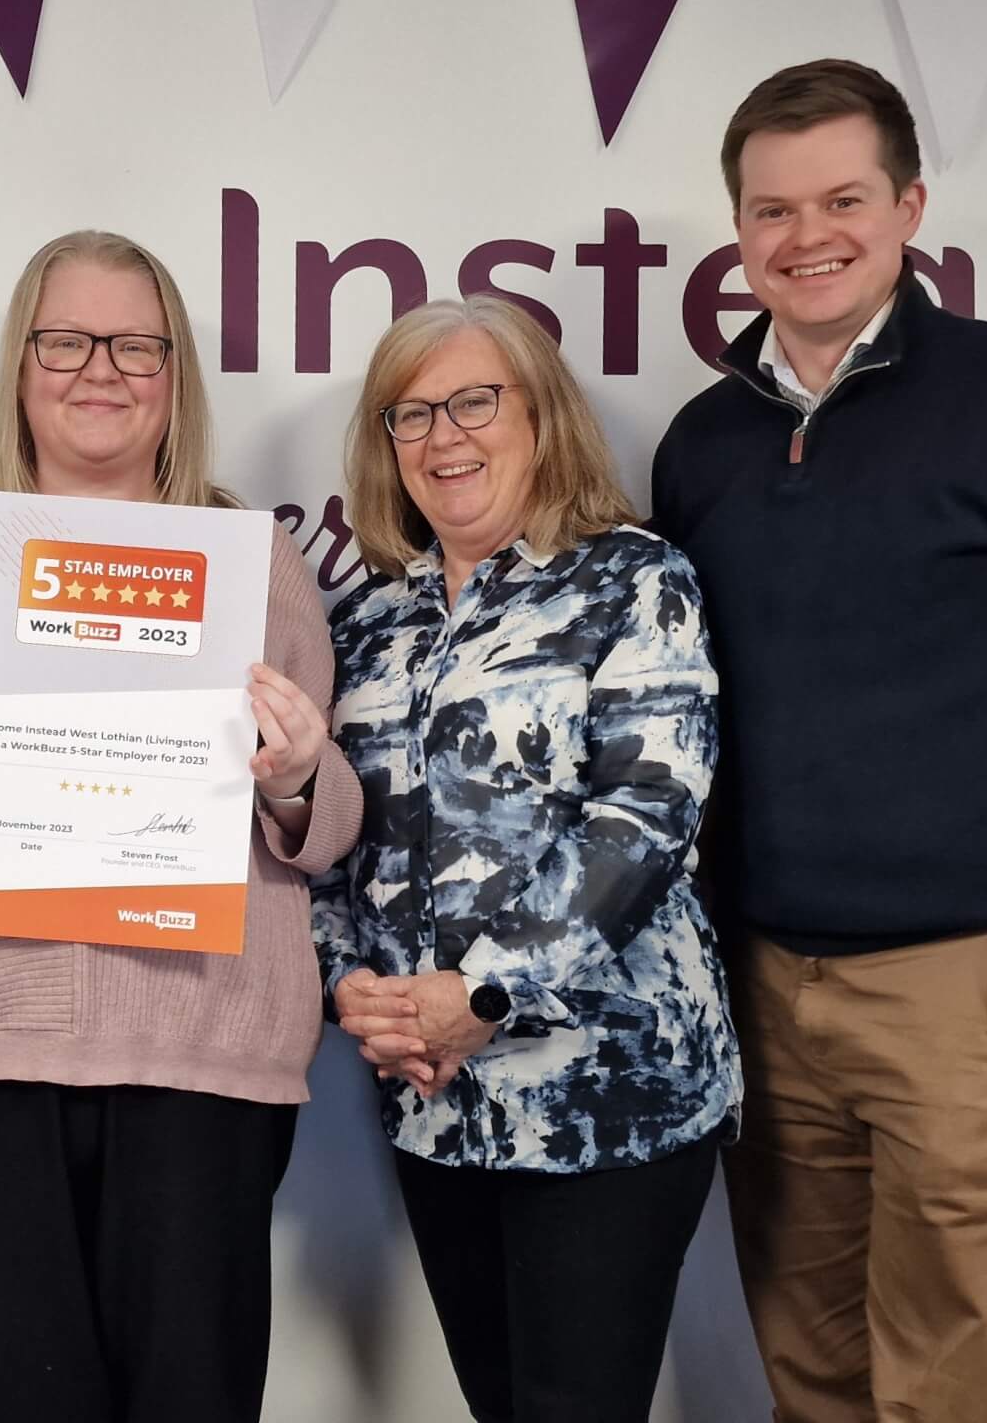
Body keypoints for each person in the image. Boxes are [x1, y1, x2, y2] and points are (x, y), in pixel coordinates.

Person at [0, 229, 362, 1423]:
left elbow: (320, 820)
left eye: (136, 344)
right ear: (19, 363)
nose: (99, 369)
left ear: (175, 375)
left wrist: (295, 777)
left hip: (197, 1051)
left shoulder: (253, 555)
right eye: (63, 339)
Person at [651, 58, 987, 1422]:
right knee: (815, 1376)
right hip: (768, 991)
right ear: (739, 234)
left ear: (910, 206)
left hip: (970, 988)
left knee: (961, 1384)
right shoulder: (702, 445)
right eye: (772, 210)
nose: (808, 237)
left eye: (844, 198)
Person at [312, 297, 740, 1423]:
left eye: (472, 403)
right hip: (432, 1097)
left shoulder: (631, 581)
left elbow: (643, 820)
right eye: (408, 415)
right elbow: (323, 834)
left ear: (542, 416)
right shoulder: (364, 624)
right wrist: (345, 986)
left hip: (605, 1091)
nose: (441, 437)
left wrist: (489, 993)